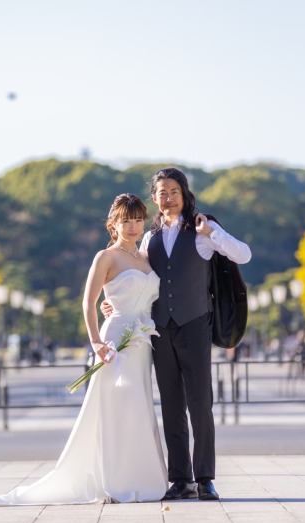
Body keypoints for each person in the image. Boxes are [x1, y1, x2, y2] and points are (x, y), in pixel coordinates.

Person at [0, 193, 166, 506]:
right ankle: (114, 481)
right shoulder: (105, 257)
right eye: (126, 220)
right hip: (115, 342)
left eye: (137, 220)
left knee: (138, 406)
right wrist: (96, 342)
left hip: (143, 342)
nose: (133, 226)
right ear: (114, 224)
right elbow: (88, 302)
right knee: (116, 408)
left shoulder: (147, 257)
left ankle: (142, 478)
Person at [106, 167, 251, 501]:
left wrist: (214, 234)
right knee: (171, 405)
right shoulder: (149, 237)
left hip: (195, 325)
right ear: (154, 199)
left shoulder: (203, 228)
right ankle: (180, 479)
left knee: (200, 403)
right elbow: (140, 280)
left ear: (184, 193)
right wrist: (113, 304)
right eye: (161, 193)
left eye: (174, 191)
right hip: (160, 329)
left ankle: (205, 479)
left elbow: (243, 254)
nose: (168, 198)